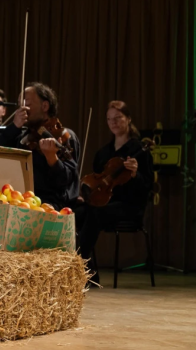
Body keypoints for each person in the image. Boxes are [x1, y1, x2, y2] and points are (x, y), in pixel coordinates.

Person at [76, 101, 153, 283]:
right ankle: (88, 270)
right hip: (104, 203)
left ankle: (77, 265)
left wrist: (134, 174)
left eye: (118, 118)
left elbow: (147, 185)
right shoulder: (103, 153)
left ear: (128, 119)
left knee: (95, 213)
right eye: (109, 119)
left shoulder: (139, 150)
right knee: (76, 213)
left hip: (129, 206)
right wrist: (85, 196)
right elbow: (96, 183)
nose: (113, 122)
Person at [0, 82, 80, 210]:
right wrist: (14, 127)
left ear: (45, 106)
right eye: (20, 105)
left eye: (26, 103)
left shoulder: (64, 135)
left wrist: (52, 158)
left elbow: (67, 181)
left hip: (50, 207)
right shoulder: (22, 137)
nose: (22, 109)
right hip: (21, 203)